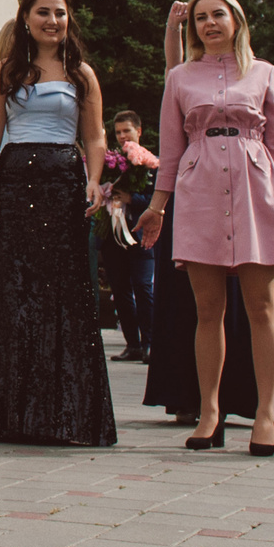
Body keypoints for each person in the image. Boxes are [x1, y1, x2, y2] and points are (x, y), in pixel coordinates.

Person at [137, 0, 274, 455]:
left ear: (236, 20)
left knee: (261, 308)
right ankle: (209, 411)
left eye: (218, 15)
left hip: (256, 192)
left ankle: (265, 415)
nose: (209, 24)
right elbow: (170, 150)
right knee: (207, 310)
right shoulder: (179, 77)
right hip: (200, 191)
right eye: (200, 18)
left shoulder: (264, 72)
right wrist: (158, 205)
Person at [0, 0, 118, 447]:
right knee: (17, 295)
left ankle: (71, 416)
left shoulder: (82, 74)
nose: (53, 21)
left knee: (67, 296)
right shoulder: (6, 74)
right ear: (26, 19)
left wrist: (95, 180)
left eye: (60, 13)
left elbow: (95, 137)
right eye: (43, 13)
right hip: (14, 186)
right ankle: (14, 417)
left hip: (64, 184)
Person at [100, 109, 160, 362]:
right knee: (121, 291)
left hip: (142, 237)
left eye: (127, 131)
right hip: (114, 238)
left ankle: (150, 342)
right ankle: (132, 344)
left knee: (143, 288)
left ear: (139, 131)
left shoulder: (152, 165)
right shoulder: (110, 163)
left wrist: (131, 199)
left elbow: (158, 201)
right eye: (118, 132)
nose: (123, 136)